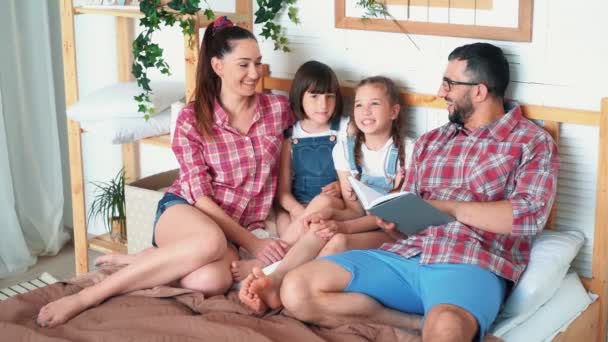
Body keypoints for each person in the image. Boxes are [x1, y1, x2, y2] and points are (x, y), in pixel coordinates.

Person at [259, 43, 559, 342]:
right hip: (407, 255)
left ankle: (434, 322)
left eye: (449, 84)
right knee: (296, 290)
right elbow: (408, 208)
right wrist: (396, 218)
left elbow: (529, 217)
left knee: (447, 328)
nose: (441, 92)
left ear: (479, 91)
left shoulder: (531, 141)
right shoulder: (432, 141)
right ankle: (413, 323)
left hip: (471, 261)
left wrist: (449, 208)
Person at [35, 16, 294, 328]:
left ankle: (143, 261)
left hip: (238, 225)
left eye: (258, 63)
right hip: (188, 211)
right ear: (217, 66)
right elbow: (200, 199)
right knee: (209, 243)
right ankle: (88, 295)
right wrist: (253, 244)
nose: (255, 73)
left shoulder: (277, 109)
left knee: (210, 280)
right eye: (244, 64)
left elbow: (314, 130)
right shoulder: (190, 119)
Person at [239, 76, 414, 313]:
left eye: (374, 104)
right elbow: (354, 210)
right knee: (320, 227)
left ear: (394, 111)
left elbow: (396, 218)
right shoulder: (345, 150)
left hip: (393, 232)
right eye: (359, 105)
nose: (365, 111)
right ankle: (277, 279)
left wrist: (341, 227)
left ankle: (298, 288)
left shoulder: (409, 151)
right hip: (361, 221)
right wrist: (329, 217)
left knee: (339, 239)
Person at [230, 60, 350, 281]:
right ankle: (289, 262)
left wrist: (341, 187)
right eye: (314, 96)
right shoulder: (291, 136)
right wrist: (298, 213)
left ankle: (265, 263)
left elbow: (356, 177)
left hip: (331, 205)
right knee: (285, 223)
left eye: (330, 96)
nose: (323, 104)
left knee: (322, 202)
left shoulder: (344, 129)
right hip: (298, 205)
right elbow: (282, 192)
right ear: (299, 97)